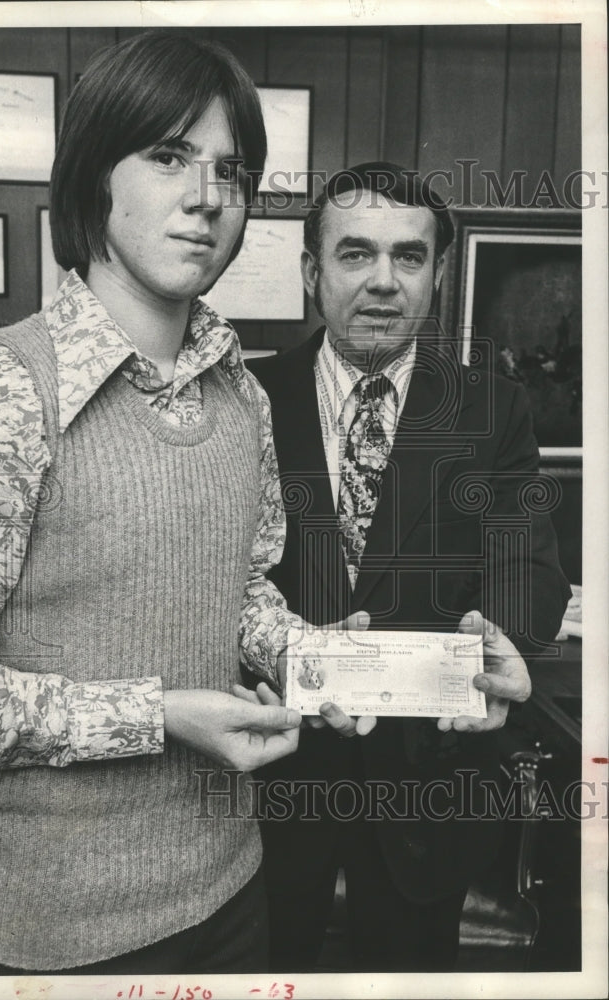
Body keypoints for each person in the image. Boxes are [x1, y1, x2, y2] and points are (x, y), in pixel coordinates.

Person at [0, 31, 306, 976]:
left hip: (233, 886)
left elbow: (245, 592)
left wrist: (350, 667)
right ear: (96, 172)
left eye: (233, 171)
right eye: (170, 156)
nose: (209, 198)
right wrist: (161, 716)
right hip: (51, 929)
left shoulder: (244, 396)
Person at [244, 162, 571, 972]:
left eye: (410, 257)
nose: (384, 281)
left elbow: (526, 560)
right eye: (356, 254)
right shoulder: (245, 399)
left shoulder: (491, 409)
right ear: (313, 272)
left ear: (435, 273)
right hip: (270, 777)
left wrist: (505, 638)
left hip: (431, 777)